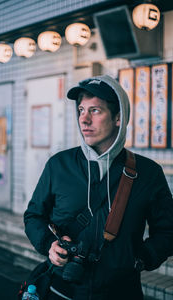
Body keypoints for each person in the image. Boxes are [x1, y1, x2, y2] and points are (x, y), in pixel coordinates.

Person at [24, 75, 173, 300]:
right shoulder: (59, 165)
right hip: (62, 289)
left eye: (95, 110)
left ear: (118, 118)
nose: (84, 120)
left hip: (122, 292)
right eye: (81, 110)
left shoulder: (148, 173)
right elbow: (34, 215)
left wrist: (140, 259)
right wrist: (49, 245)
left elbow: (168, 230)